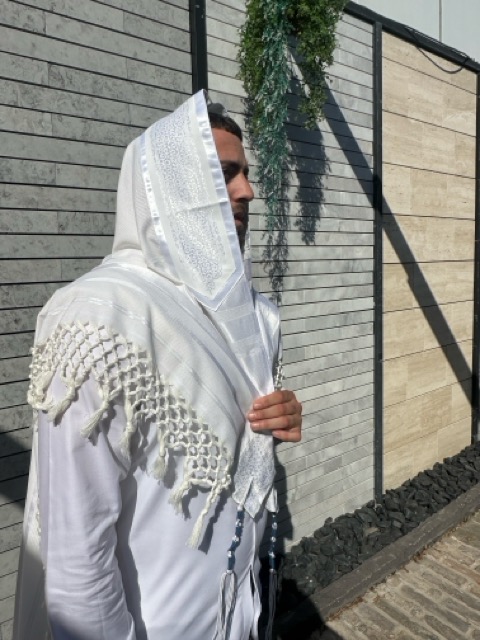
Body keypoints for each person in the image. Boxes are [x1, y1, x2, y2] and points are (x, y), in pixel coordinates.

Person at [13, 91, 302, 640]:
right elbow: (78, 572)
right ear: (173, 188)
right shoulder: (99, 319)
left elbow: (239, 444)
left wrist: (277, 418)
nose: (247, 191)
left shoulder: (254, 315)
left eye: (245, 175)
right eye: (225, 175)